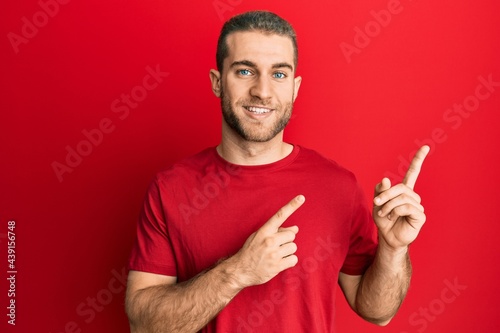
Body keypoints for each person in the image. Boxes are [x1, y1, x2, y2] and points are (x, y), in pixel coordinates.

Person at [125, 10, 429, 333]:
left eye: (279, 75)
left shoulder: (339, 187)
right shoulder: (170, 189)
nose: (263, 91)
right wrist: (239, 271)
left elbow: (377, 312)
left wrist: (394, 250)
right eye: (245, 71)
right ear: (217, 82)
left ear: (295, 88)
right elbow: (143, 326)